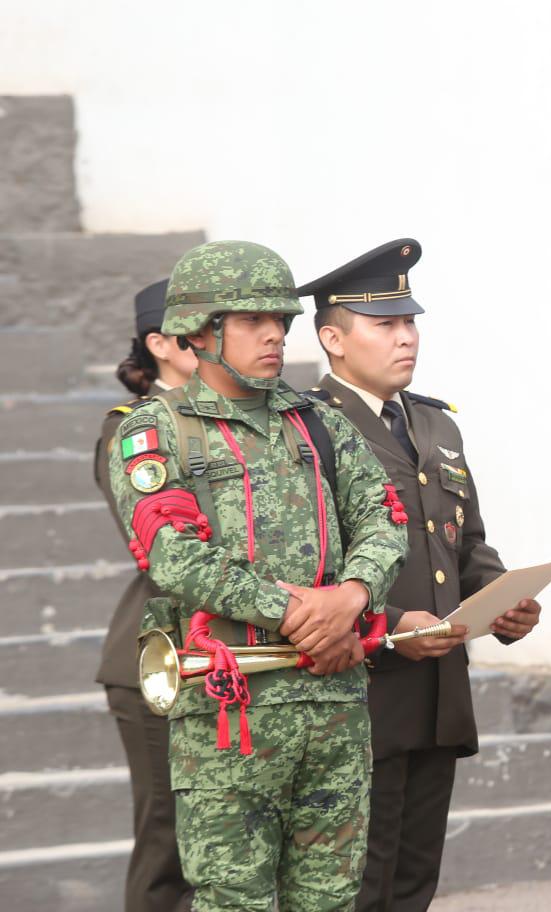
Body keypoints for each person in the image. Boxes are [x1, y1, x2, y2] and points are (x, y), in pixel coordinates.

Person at [105, 239, 409, 912]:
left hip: (333, 706)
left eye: (281, 320)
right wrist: (301, 612)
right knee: (234, 901)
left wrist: (353, 596)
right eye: (251, 320)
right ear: (200, 331)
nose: (274, 333)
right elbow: (173, 552)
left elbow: (384, 522)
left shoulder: (320, 423)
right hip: (229, 716)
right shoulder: (157, 434)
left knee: (331, 901)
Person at [298, 238, 542, 912]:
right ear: (333, 339)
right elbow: (307, 566)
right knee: (357, 886)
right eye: (385, 325)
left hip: (437, 691)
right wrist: (388, 623)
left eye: (411, 323)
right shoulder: (309, 430)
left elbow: (465, 544)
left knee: (412, 884)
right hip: (360, 692)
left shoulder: (435, 424)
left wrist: (504, 604)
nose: (407, 338)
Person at [94, 277, 199, 912]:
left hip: (230, 657)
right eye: (198, 327)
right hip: (160, 656)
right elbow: (167, 552)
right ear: (159, 343)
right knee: (169, 844)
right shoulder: (130, 429)